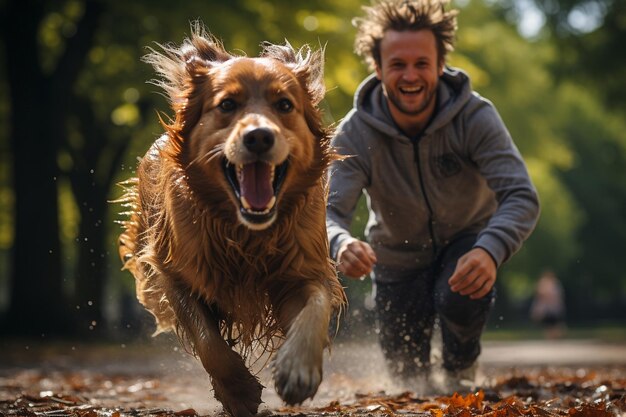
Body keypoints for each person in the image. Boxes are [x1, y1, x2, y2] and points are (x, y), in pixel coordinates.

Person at [326, 0, 540, 393]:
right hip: (395, 259)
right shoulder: (355, 134)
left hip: (467, 242)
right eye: (398, 65)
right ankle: (421, 373)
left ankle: (461, 366)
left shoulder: (475, 117)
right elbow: (327, 213)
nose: (411, 75)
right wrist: (340, 242)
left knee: (459, 294)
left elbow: (521, 195)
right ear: (377, 68)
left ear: (441, 64)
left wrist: (491, 249)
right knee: (410, 382)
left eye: (422, 63)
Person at [530, 270, 566, 339]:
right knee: (549, 324)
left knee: (554, 324)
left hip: (553, 308)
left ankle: (555, 336)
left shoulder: (555, 284)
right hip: (547, 309)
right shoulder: (544, 283)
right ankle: (552, 337)